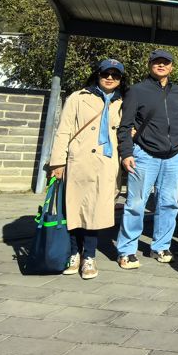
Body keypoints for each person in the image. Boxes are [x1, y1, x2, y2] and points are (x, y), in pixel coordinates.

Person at [47, 59, 126, 280]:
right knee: (74, 208)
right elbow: (64, 130)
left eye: (115, 75)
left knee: (96, 211)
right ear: (97, 75)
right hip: (80, 161)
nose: (110, 78)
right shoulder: (78, 97)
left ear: (121, 79)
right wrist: (58, 162)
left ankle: (89, 256)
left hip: (106, 163)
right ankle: (74, 253)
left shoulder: (123, 102)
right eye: (106, 73)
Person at [116, 50, 178, 268]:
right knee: (135, 204)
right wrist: (127, 153)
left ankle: (161, 246)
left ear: (171, 67)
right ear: (149, 65)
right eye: (157, 62)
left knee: (169, 203)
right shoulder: (137, 90)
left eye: (165, 63)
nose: (161, 65)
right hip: (144, 154)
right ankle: (127, 250)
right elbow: (125, 125)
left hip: (173, 156)